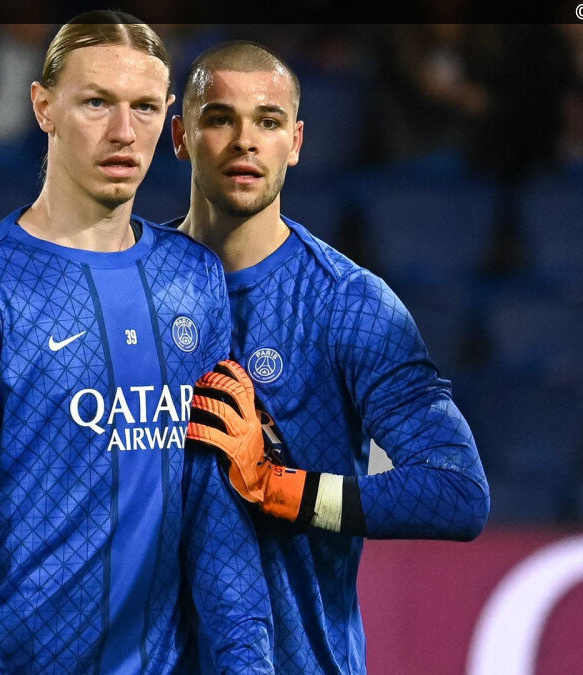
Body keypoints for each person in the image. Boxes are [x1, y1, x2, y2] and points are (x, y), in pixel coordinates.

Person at [0, 13, 272, 673]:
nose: (123, 131)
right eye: (97, 103)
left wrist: (248, 663)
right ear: (43, 106)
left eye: (145, 107)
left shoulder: (194, 281)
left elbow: (218, 510)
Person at [172, 41, 490, 673]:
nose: (245, 141)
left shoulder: (350, 306)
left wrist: (278, 488)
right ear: (180, 136)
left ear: (295, 142)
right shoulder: (127, 291)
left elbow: (457, 491)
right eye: (220, 118)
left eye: (268, 121)